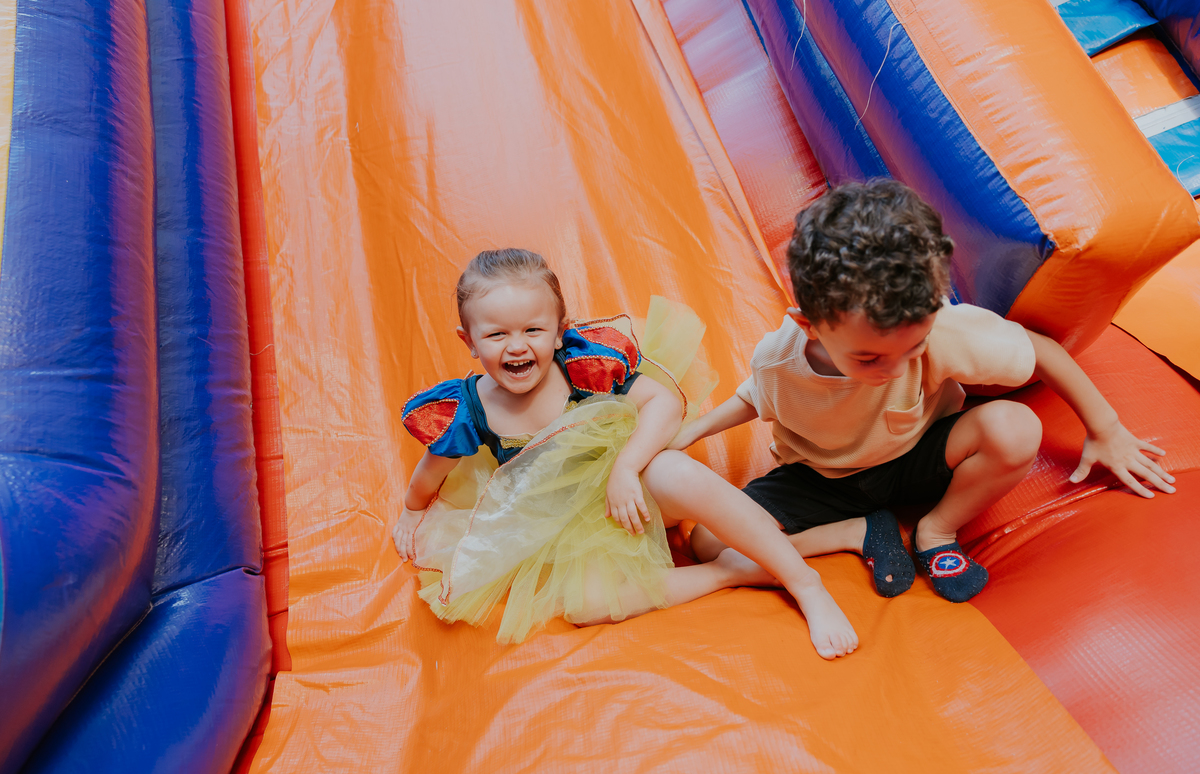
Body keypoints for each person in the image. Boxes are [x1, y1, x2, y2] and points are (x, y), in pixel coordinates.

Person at [670, 180, 1175, 603]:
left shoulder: (938, 329)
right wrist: (689, 433)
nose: (892, 370)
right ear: (811, 328)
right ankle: (859, 531)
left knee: (1016, 427)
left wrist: (1106, 429)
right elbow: (755, 396)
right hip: (823, 479)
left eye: (909, 351)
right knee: (712, 540)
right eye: (869, 359)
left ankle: (936, 529)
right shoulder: (779, 357)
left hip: (922, 455)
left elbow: (1043, 351)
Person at [394, 248, 859, 658]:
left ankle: (806, 584)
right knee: (583, 606)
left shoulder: (582, 367)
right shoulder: (470, 408)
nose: (517, 346)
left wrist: (626, 468)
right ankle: (728, 572)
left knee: (675, 471)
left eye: (533, 329)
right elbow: (432, 469)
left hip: (637, 490)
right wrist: (414, 513)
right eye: (496, 335)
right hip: (574, 527)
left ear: (560, 332)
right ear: (469, 341)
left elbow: (665, 401)